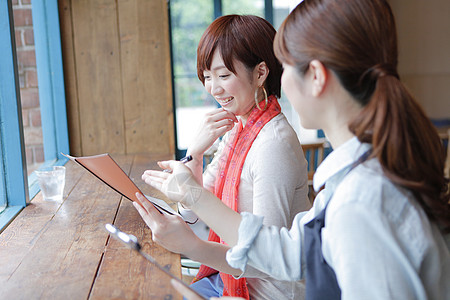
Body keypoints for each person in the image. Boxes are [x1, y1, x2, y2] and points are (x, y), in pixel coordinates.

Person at [141, 0, 450, 299]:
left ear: (315, 76)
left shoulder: (361, 199)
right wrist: (192, 204)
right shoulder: (355, 179)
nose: (281, 79)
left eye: (286, 65)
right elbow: (289, 252)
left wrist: (193, 217)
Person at [135, 14, 310, 300]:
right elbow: (193, 211)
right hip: (227, 279)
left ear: (260, 73)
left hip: (267, 292)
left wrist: (191, 245)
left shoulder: (272, 144)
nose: (213, 89)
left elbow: (269, 260)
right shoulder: (238, 130)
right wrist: (195, 152)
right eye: (206, 76)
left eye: (223, 75)